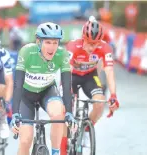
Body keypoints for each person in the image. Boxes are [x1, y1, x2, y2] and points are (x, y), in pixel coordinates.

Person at [11, 22, 75, 155]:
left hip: (47, 91)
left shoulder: (62, 54)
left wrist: (69, 112)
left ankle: (55, 152)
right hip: (26, 96)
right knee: (25, 141)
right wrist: (15, 112)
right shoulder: (27, 51)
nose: (52, 47)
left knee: (58, 115)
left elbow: (67, 85)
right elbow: (17, 84)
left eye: (55, 43)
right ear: (38, 42)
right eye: (48, 42)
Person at [61, 16, 120, 155]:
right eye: (89, 43)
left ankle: (87, 131)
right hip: (72, 76)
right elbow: (66, 71)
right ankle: (63, 149)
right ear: (83, 38)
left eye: (96, 43)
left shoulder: (105, 48)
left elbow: (109, 71)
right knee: (65, 109)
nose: (92, 47)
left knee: (99, 103)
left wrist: (113, 95)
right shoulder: (73, 46)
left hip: (90, 76)